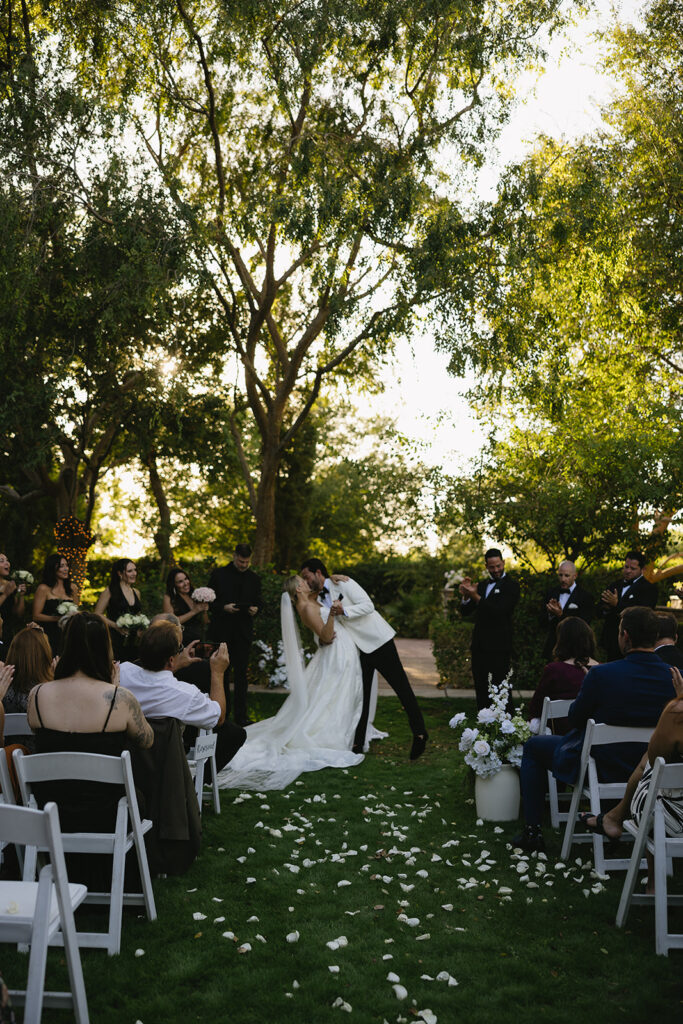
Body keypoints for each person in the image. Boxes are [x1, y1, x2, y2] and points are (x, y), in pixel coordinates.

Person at [513, 605, 676, 852]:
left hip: (604, 767)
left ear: (626, 636)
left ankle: (533, 830)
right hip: (652, 772)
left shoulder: (602, 674)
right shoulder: (676, 678)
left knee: (534, 747)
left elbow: (576, 719)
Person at [25, 611, 154, 885]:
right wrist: (114, 689)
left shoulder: (37, 695)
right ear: (104, 648)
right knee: (142, 792)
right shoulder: (120, 699)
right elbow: (147, 740)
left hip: (52, 813)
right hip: (107, 815)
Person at [216, 575, 364, 791]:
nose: (305, 582)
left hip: (339, 651)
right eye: (301, 582)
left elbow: (323, 589)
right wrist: (332, 614)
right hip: (335, 652)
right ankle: (334, 732)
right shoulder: (305, 607)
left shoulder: (308, 601)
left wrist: (333, 578)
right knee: (330, 696)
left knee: (330, 694)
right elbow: (325, 636)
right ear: (297, 590)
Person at [300, 558, 427, 759]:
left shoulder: (342, 582)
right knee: (362, 695)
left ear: (318, 572)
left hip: (378, 642)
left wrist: (345, 611)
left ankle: (420, 733)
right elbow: (320, 625)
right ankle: (358, 742)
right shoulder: (314, 600)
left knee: (401, 687)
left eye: (307, 577)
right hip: (355, 650)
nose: (306, 582)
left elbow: (368, 605)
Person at [578, 668, 683, 888]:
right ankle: (614, 818)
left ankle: (654, 884)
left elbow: (655, 757)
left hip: (673, 821)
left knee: (654, 776)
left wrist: (678, 702)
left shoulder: (678, 711)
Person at [208, 544, 262, 726]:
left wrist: (256, 609)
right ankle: (223, 714)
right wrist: (224, 607)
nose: (243, 564)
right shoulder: (218, 575)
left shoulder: (254, 579)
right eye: (241, 561)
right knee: (221, 674)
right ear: (234, 556)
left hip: (243, 634)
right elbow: (210, 603)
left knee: (241, 676)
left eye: (247, 562)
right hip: (222, 632)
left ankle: (241, 716)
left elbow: (259, 602)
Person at [459, 548, 520, 710]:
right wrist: (466, 596)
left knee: (501, 687)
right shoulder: (482, 585)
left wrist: (476, 597)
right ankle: (484, 721)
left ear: (503, 563)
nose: (496, 570)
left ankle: (507, 724)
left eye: (498, 566)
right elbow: (465, 611)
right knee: (481, 686)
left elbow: (500, 611)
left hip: (500, 646)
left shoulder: (512, 586)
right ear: (486, 566)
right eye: (492, 567)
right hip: (479, 646)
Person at [527, 617, 599, 735]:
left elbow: (535, 709)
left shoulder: (554, 670)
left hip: (559, 739)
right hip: (593, 739)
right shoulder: (602, 670)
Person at [3, 624, 54, 752]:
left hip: (7, 765)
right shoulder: (52, 693)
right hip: (42, 764)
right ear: (45, 654)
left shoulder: (3, 691)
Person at [600, 550, 658, 661]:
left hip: (634, 642)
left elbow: (642, 614)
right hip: (612, 640)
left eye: (632, 569)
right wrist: (606, 608)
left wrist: (617, 604)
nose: (627, 571)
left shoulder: (649, 589)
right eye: (626, 567)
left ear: (642, 569)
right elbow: (599, 609)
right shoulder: (615, 585)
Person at [541, 560, 594, 660]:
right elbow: (541, 622)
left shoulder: (585, 596)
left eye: (566, 575)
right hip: (553, 647)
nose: (563, 579)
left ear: (575, 576)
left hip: (575, 649)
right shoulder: (551, 593)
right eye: (560, 575)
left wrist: (561, 615)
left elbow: (585, 624)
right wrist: (550, 614)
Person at [95, 558, 144, 662]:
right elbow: (97, 614)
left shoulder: (137, 592)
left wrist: (141, 627)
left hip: (133, 641)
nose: (134, 573)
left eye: (135, 570)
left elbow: (138, 614)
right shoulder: (109, 591)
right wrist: (115, 626)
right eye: (130, 571)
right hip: (114, 639)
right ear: (120, 573)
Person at [32, 554, 80, 657]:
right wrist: (58, 618)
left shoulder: (73, 588)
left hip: (68, 635)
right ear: (53, 568)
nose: (66, 569)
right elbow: (36, 615)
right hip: (49, 635)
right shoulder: (43, 588)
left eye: (66, 565)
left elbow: (76, 611)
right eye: (61, 566)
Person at [162, 567, 209, 646]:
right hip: (181, 640)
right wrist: (194, 611)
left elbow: (205, 622)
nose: (185, 583)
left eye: (186, 579)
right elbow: (171, 622)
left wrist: (204, 611)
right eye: (180, 582)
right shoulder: (169, 598)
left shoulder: (194, 595)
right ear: (174, 584)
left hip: (198, 639)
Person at [0, 553, 26, 645]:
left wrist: (21, 595)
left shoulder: (11, 585)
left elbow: (18, 614)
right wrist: (5, 594)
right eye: (1, 561)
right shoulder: (8, 589)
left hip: (7, 634)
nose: (7, 563)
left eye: (7, 560)